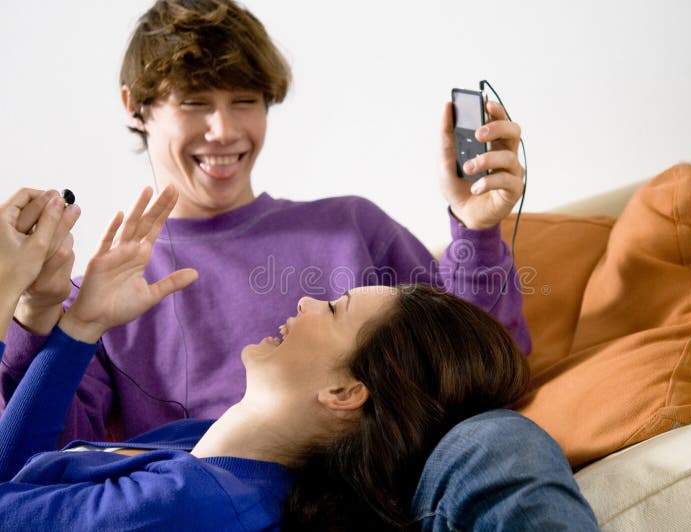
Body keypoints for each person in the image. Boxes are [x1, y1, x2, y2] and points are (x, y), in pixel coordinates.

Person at [0, 0, 531, 447]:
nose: (224, 129)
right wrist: (33, 317)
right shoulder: (102, 295)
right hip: (230, 503)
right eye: (194, 102)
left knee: (499, 440)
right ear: (135, 106)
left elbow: (479, 367)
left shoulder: (352, 226)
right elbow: (44, 459)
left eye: (245, 101)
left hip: (393, 478)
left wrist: (475, 229)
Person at [0, 187, 597, 531]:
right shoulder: (196, 448)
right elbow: (19, 476)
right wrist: (78, 325)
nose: (307, 297)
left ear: (344, 392)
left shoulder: (189, 499)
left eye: (335, 308)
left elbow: (454, 353)